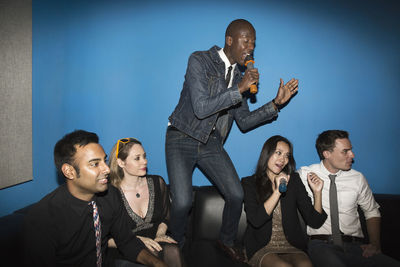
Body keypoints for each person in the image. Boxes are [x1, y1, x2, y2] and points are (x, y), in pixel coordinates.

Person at [165, 18, 299, 262]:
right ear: (230, 40)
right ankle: (175, 245)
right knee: (183, 202)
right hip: (181, 136)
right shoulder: (200, 60)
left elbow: (245, 121)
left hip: (211, 142)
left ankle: (225, 241)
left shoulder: (239, 74)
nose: (250, 47)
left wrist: (276, 104)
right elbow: (201, 108)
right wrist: (239, 88)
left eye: (254, 43)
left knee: (236, 195)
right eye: (246, 40)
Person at [23, 130, 167, 267]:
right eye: (95, 164)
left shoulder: (111, 195)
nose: (107, 169)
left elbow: (127, 243)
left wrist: (157, 264)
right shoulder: (42, 218)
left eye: (104, 161)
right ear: (69, 171)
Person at [298, 130, 400, 267]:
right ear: (326, 154)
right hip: (321, 245)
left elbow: (372, 212)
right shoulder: (305, 174)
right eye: (345, 151)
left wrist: (375, 245)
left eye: (351, 150)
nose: (352, 155)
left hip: (356, 247)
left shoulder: (357, 178)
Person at [242, 135, 327, 267]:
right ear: (267, 153)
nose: (283, 159)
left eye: (287, 155)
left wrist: (317, 193)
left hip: (291, 245)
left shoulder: (294, 181)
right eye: (278, 153)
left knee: (306, 265)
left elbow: (314, 221)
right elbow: (256, 220)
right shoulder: (249, 183)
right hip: (262, 246)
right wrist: (277, 191)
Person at [108, 137, 185, 267]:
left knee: (173, 251)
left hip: (156, 242)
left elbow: (166, 216)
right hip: (125, 248)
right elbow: (105, 238)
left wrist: (160, 234)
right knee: (153, 255)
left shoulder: (157, 182)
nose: (145, 161)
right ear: (121, 162)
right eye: (137, 158)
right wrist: (134, 240)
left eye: (144, 156)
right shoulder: (110, 193)